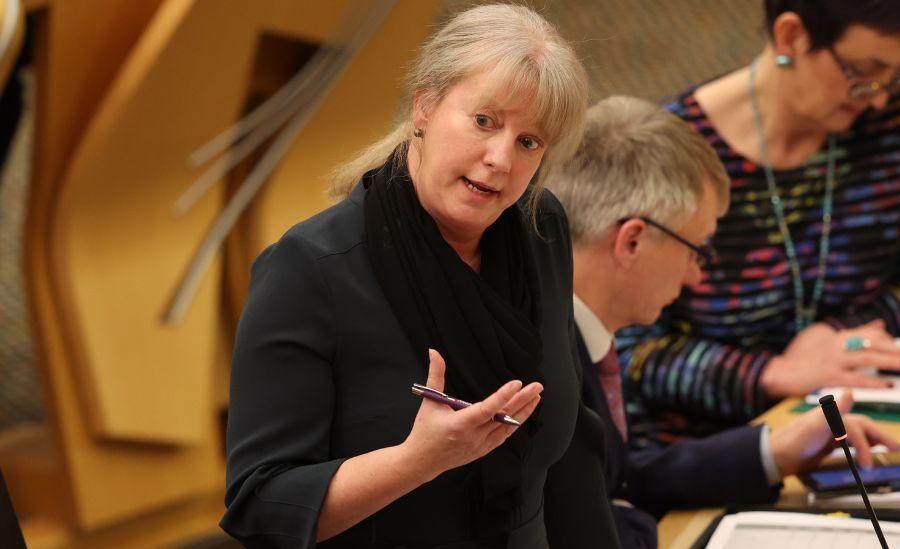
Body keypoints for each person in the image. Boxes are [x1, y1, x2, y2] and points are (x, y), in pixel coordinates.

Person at [220, 5, 618, 548]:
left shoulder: (540, 226)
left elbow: (568, 453)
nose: (500, 159)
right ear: (424, 107)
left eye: (529, 142)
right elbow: (261, 508)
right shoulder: (309, 269)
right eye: (484, 121)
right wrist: (416, 461)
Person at [546, 95, 900, 548]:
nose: (697, 275)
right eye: (698, 249)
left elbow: (620, 479)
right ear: (631, 241)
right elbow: (599, 524)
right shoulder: (540, 364)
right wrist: (628, 517)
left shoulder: (572, 327)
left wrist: (774, 452)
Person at [619, 0, 900, 442]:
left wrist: (833, 334)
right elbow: (629, 352)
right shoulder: (670, 157)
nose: (880, 96)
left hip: (860, 413)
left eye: (896, 72)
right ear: (790, 37)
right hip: (707, 446)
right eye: (864, 70)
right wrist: (777, 373)